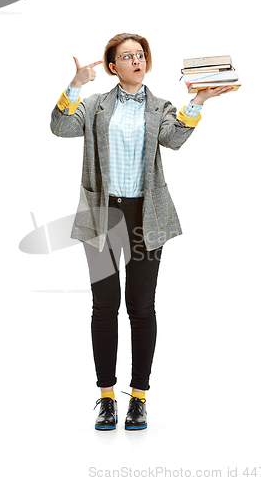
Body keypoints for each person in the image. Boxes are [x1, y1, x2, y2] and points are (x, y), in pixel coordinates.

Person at [50, 33, 233, 431]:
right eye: (127, 56)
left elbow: (175, 138)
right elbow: (61, 127)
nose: (136, 60)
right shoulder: (95, 105)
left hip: (145, 216)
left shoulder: (159, 107)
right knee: (104, 305)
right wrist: (75, 85)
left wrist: (198, 101)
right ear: (113, 67)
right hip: (102, 215)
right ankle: (106, 398)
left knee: (141, 306)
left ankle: (138, 399)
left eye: (140, 55)